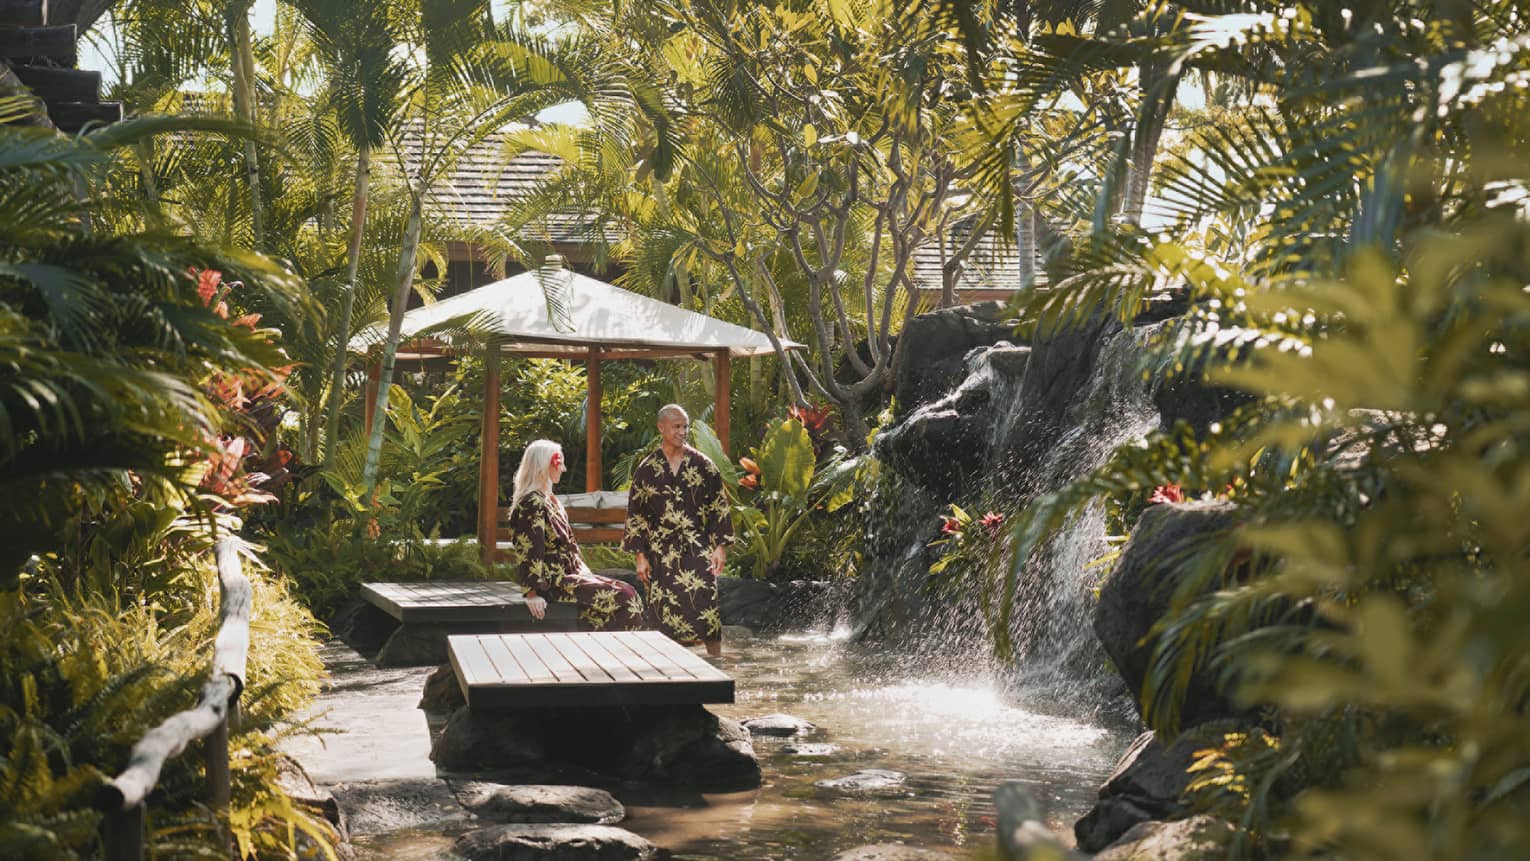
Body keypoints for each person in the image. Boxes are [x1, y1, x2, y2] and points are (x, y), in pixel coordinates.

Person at [622, 404, 734, 655]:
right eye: (677, 426)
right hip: (660, 551)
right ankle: (668, 663)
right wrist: (640, 557)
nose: (683, 431)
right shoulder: (646, 469)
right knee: (663, 610)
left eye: (685, 426)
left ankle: (717, 662)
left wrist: (720, 547)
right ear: (661, 427)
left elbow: (718, 506)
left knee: (706, 605)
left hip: (697, 546)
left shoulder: (703, 465)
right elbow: (636, 515)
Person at [504, 439, 644, 631]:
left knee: (629, 591)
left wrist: (586, 574)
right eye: (559, 462)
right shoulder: (532, 502)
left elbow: (571, 545)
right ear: (543, 465)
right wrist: (531, 593)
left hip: (570, 575)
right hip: (552, 582)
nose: (564, 468)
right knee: (624, 598)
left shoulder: (552, 501)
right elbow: (530, 548)